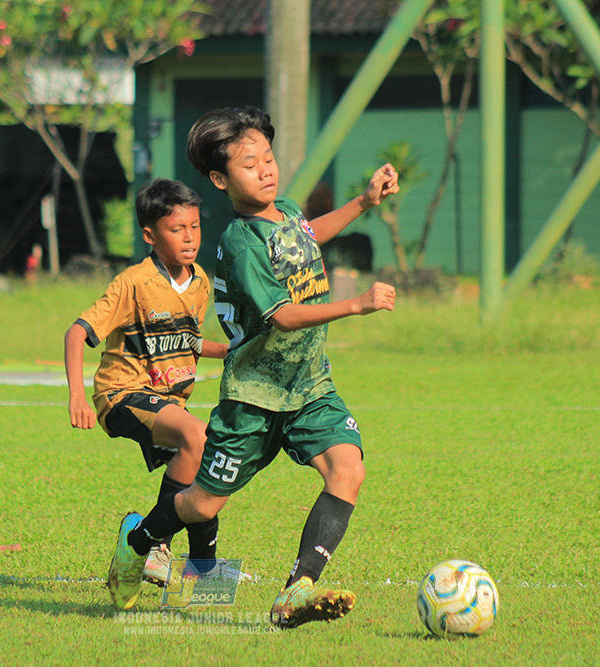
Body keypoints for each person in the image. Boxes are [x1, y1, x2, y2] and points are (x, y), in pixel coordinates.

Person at [107, 106, 399, 628]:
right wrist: (355, 305)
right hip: (253, 398)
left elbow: (307, 238)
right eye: (249, 164)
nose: (265, 170)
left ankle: (297, 590)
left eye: (268, 158)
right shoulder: (239, 243)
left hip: (308, 385)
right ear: (220, 179)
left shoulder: (284, 210)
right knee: (202, 505)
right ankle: (139, 540)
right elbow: (282, 316)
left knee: (348, 468)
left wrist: (364, 201)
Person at [64, 178, 229, 593]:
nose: (189, 237)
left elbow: (188, 341)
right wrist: (77, 397)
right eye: (177, 229)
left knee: (208, 472)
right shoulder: (133, 283)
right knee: (199, 435)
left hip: (167, 401)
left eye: (194, 227)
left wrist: (232, 351)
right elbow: (76, 332)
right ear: (150, 235)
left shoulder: (199, 281)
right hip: (121, 394)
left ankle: (203, 575)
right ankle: (154, 545)